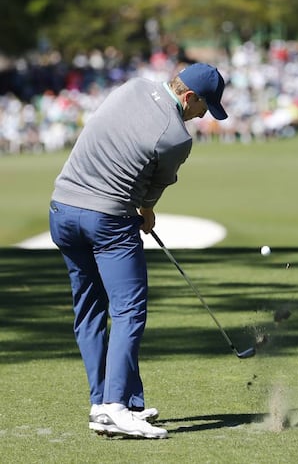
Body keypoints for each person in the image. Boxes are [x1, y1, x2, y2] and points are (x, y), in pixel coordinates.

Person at [49, 62, 228, 439]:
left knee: (90, 309)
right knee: (129, 310)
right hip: (106, 219)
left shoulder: (132, 86)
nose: (201, 116)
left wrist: (139, 205)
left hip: (62, 209)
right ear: (188, 96)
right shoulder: (178, 138)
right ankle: (115, 407)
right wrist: (146, 213)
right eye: (204, 107)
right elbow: (150, 192)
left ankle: (105, 403)